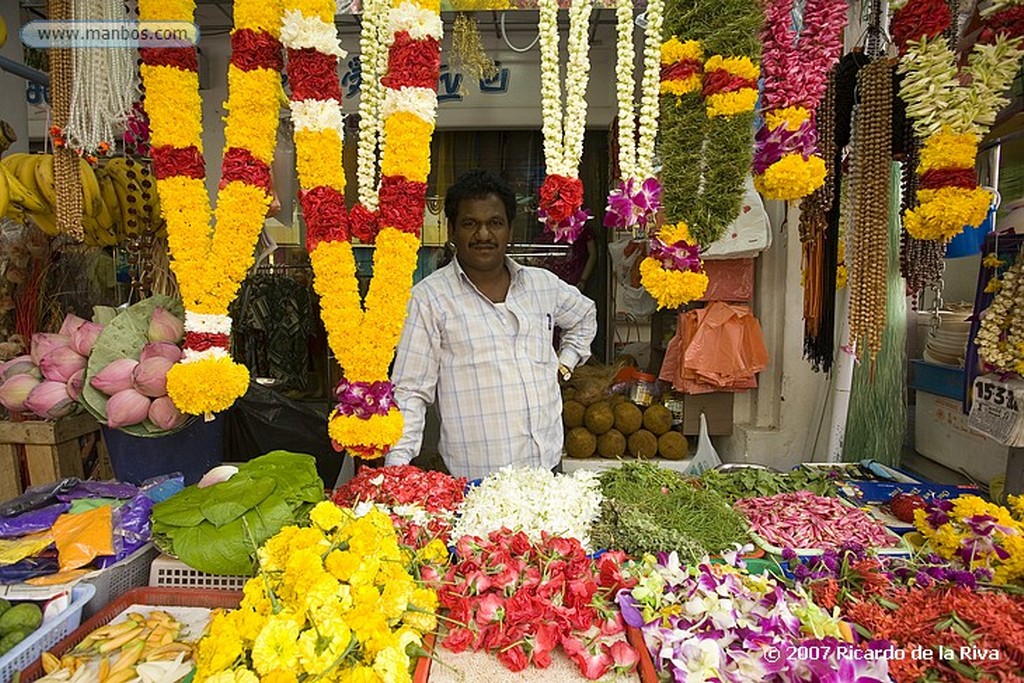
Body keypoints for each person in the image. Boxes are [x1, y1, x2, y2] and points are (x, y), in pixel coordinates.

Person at [385, 169, 598, 479]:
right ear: (451, 231)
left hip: (547, 474)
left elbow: (584, 315)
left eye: (494, 223)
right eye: (470, 223)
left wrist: (564, 364)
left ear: (509, 229)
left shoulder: (542, 285)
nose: (483, 234)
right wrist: (395, 471)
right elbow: (410, 392)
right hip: (478, 484)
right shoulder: (429, 299)